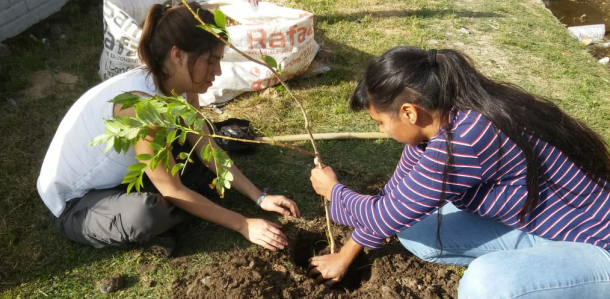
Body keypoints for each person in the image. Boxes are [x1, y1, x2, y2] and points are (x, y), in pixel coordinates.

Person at [309, 46, 610, 298]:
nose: (382, 131)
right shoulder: (437, 123)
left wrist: (334, 192)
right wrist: (345, 256)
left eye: (379, 122)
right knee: (416, 229)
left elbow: (382, 214)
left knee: (485, 283)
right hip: (544, 226)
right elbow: (394, 202)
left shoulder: (466, 140)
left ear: (409, 113)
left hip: (595, 242)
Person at [37, 2, 300, 254]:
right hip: (75, 204)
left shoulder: (181, 87)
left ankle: (183, 200)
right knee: (148, 214)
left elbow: (205, 144)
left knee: (198, 169)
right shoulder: (142, 108)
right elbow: (172, 190)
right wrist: (243, 224)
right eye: (210, 61)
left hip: (120, 179)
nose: (217, 71)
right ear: (178, 55)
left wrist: (259, 197)